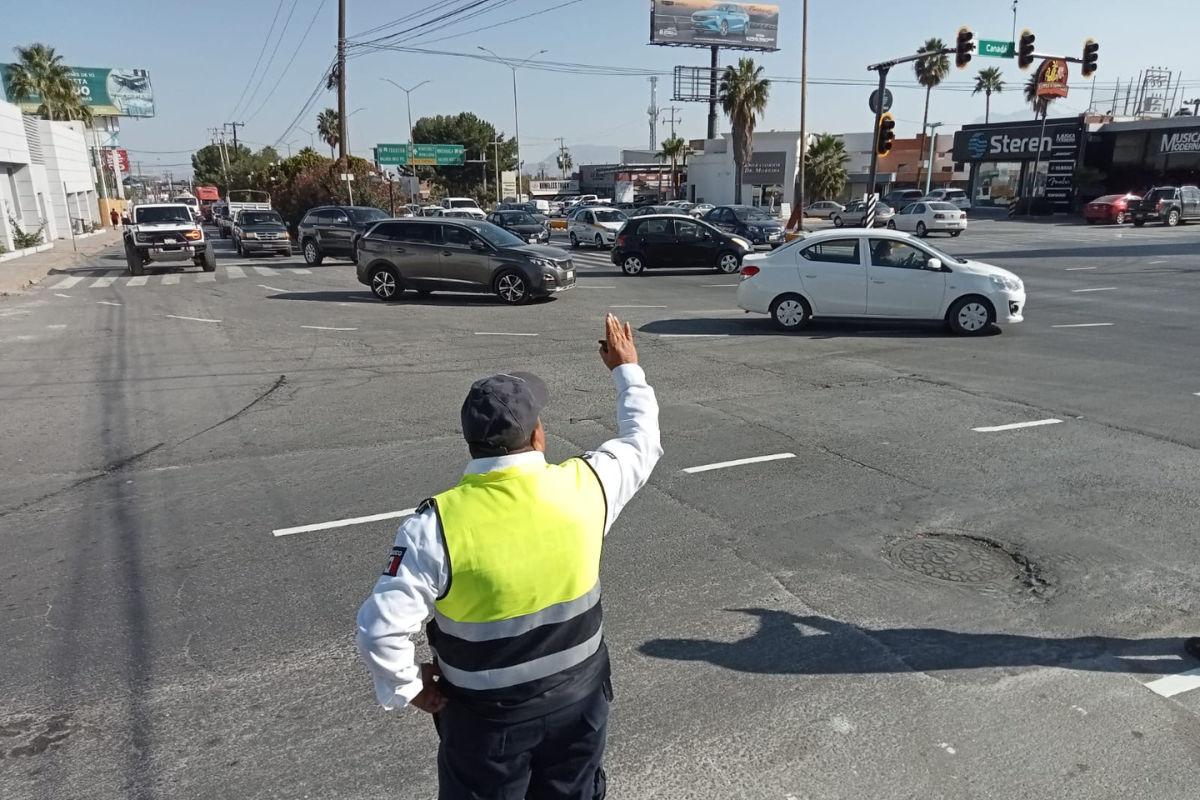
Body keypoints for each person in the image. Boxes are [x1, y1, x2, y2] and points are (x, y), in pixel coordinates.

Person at [357, 313, 662, 800]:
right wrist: (626, 369)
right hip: (579, 703)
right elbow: (642, 441)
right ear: (537, 435)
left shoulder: (436, 525)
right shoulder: (588, 486)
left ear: (471, 442)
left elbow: (380, 628)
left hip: (486, 725)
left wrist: (408, 685)